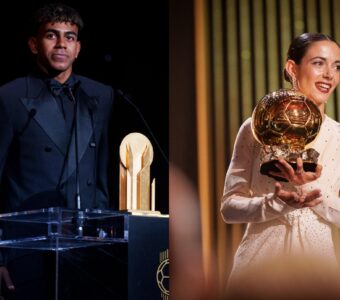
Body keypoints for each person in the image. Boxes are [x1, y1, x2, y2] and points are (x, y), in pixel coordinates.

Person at [0, 3, 114, 299]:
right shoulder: (10, 96)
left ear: (78, 48)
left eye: (70, 37)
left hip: (83, 245)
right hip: (26, 246)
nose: (62, 44)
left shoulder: (100, 95)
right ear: (34, 44)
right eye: (52, 35)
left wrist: (105, 240)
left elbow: (100, 177)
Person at [220, 32, 340, 295]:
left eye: (337, 66)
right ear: (292, 68)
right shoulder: (255, 128)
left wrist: (311, 192)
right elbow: (229, 208)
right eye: (319, 63)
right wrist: (274, 204)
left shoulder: (338, 136)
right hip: (259, 264)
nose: (330, 75)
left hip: (317, 268)